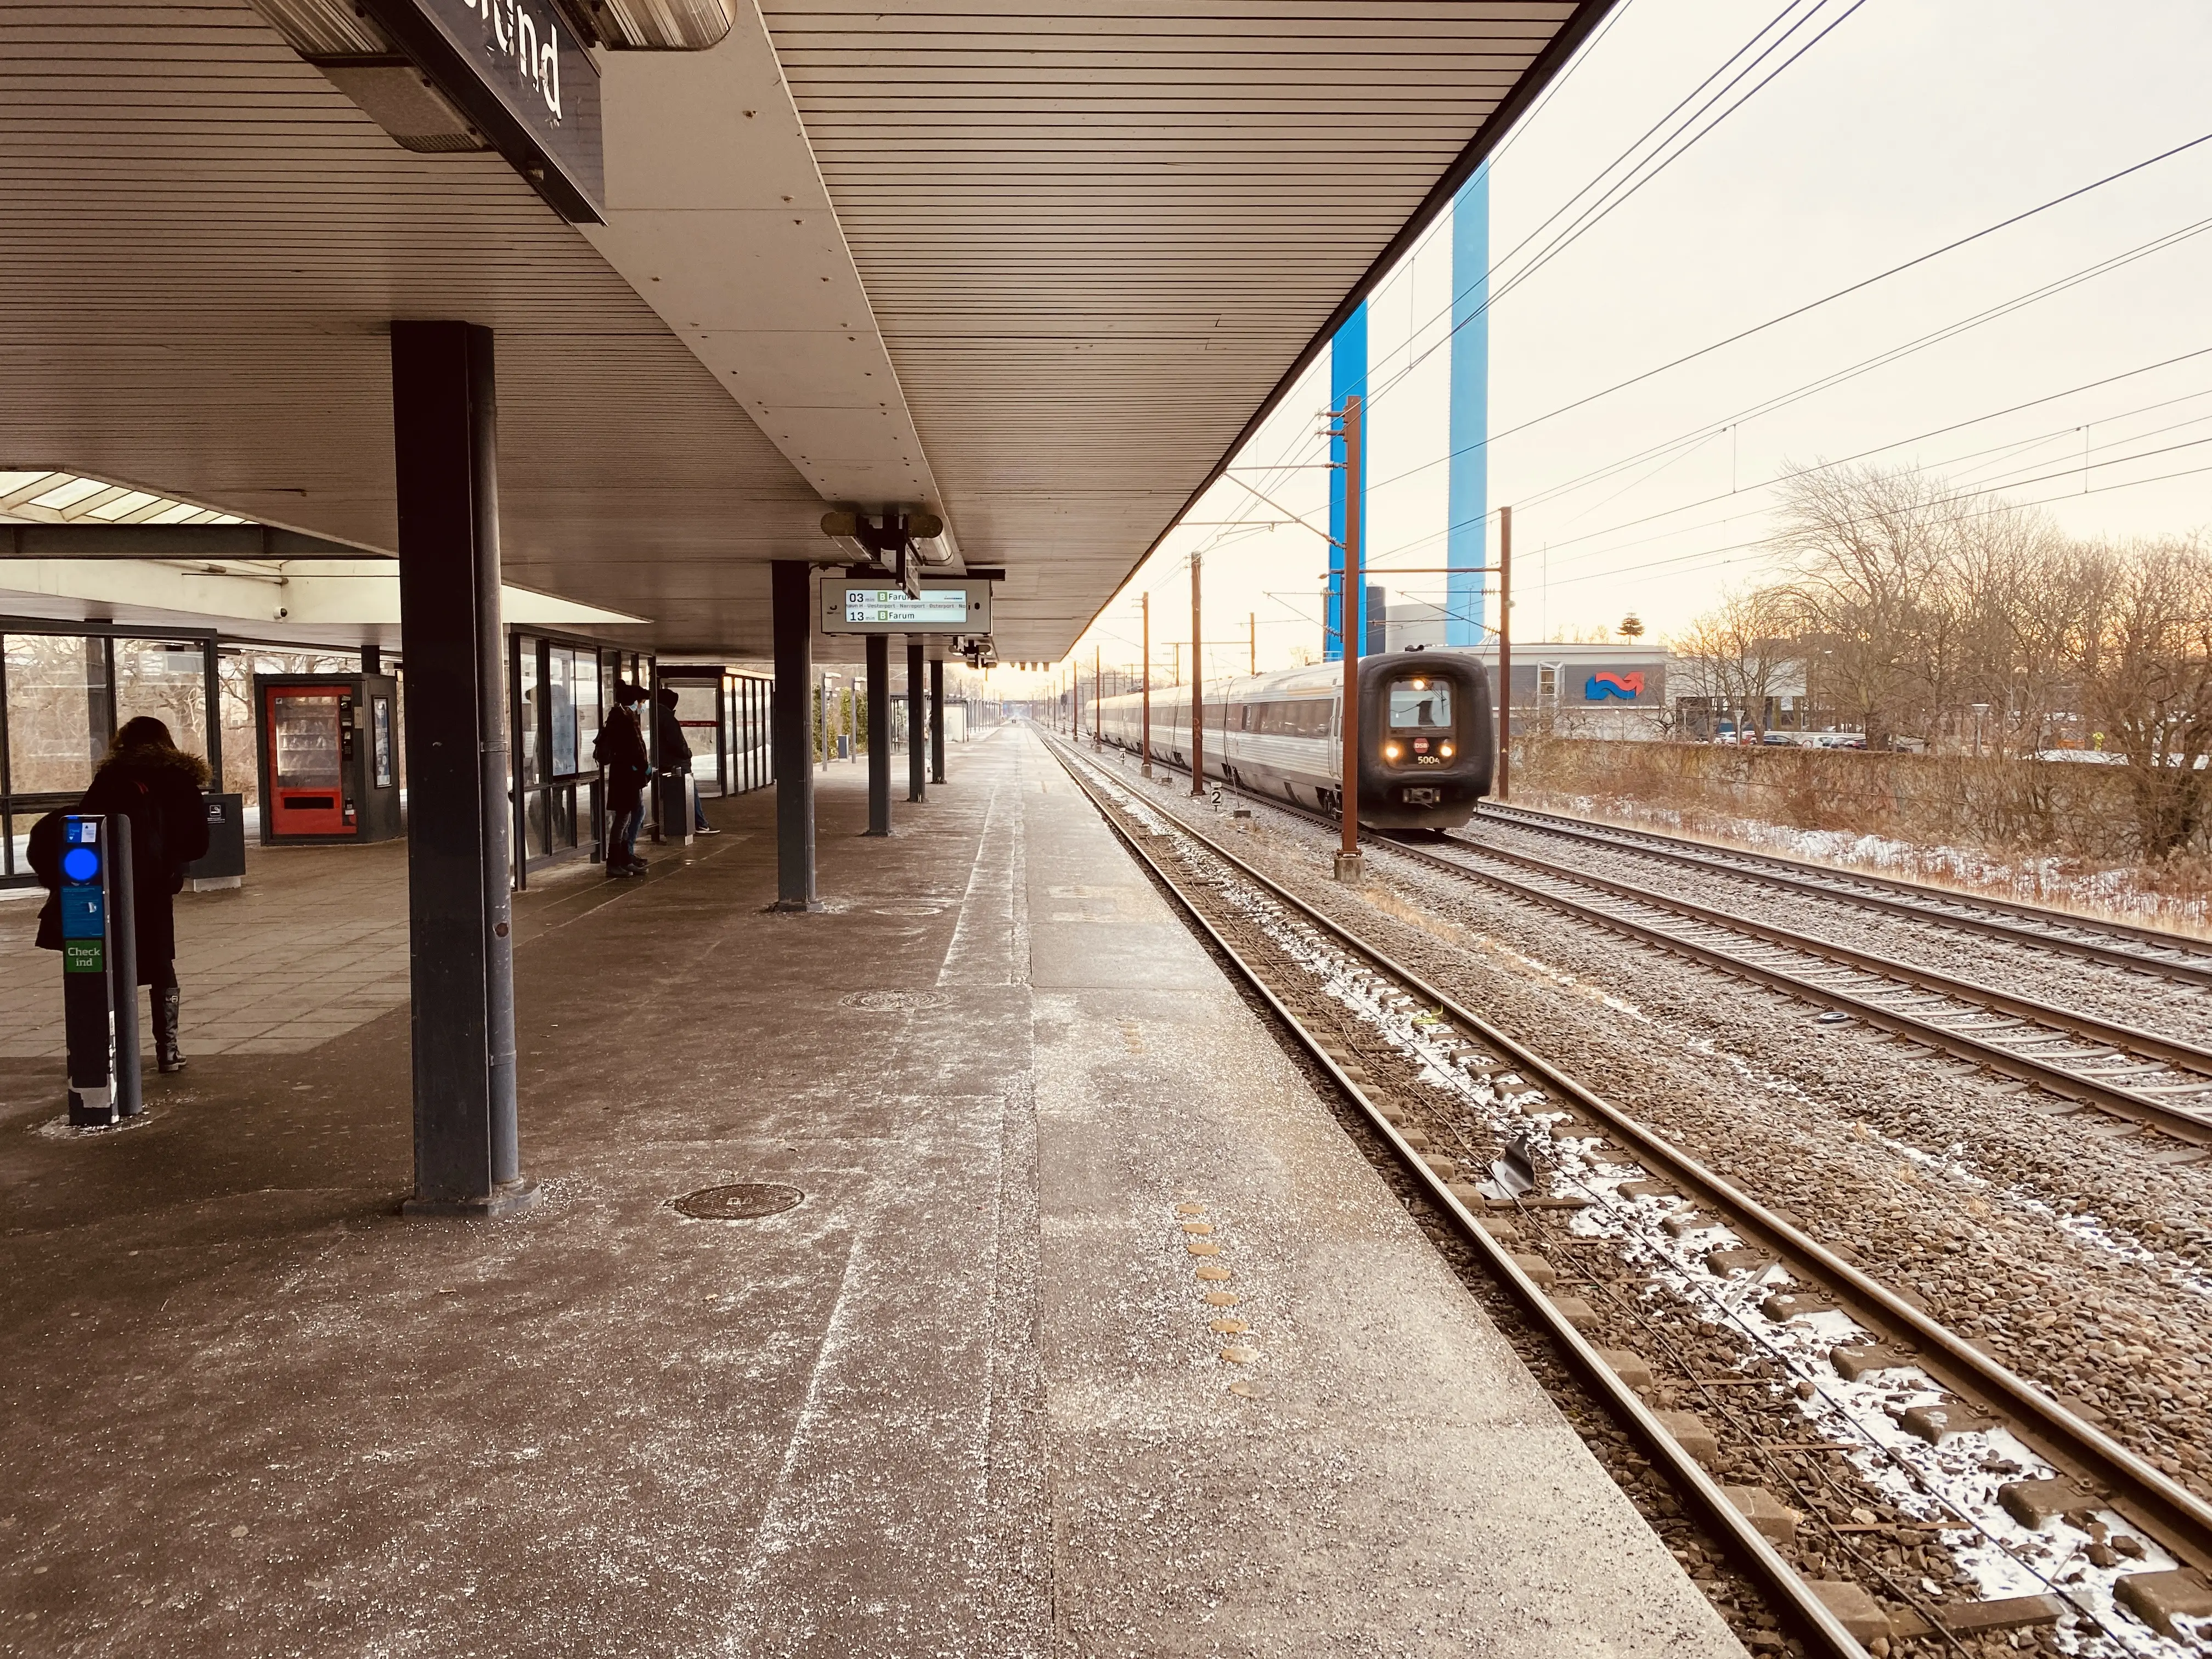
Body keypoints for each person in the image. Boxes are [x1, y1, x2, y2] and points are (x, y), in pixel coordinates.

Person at [35, 717, 212, 1073]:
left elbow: (86, 824)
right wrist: (169, 859)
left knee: (109, 962)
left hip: (108, 885)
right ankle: (168, 1051)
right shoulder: (179, 778)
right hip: (155, 887)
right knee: (160, 962)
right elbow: (198, 842)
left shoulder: (110, 777)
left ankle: (107, 1051)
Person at [595, 683, 652, 877]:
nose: (642, 706)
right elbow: (634, 750)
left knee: (626, 818)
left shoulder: (620, 717)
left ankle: (625, 860)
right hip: (626, 776)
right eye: (641, 702)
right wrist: (645, 768)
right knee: (622, 819)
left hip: (625, 775)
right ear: (634, 701)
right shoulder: (624, 720)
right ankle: (614, 863)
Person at [654, 685, 719, 835]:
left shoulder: (655, 716)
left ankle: (687, 824)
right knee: (691, 793)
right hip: (676, 762)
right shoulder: (668, 718)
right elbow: (677, 742)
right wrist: (687, 753)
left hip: (664, 761)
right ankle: (701, 824)